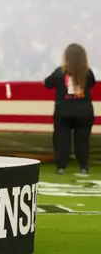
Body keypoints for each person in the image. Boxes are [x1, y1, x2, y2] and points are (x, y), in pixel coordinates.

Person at [44, 43, 95, 176]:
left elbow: (47, 83)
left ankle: (62, 167)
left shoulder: (59, 72)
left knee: (62, 139)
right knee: (82, 140)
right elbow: (92, 84)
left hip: (64, 111)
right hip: (84, 111)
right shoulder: (87, 72)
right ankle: (83, 167)